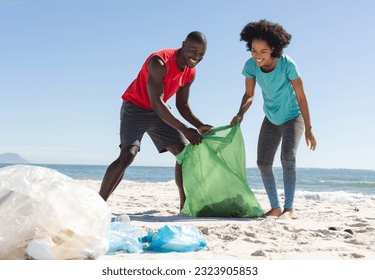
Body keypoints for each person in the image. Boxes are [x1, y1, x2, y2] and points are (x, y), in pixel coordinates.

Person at [100, 31, 212, 210]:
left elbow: (182, 104)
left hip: (160, 111)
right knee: (128, 155)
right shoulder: (159, 62)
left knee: (185, 155)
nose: (196, 57)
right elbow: (157, 102)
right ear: (183, 45)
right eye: (193, 51)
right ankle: (97, 204)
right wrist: (185, 129)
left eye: (201, 54)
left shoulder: (191, 72)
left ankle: (185, 206)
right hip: (135, 108)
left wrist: (199, 126)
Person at [230, 20, 317, 218]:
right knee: (263, 162)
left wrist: (309, 128)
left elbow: (302, 96)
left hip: (293, 116)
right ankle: (275, 207)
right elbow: (249, 94)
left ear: (273, 49)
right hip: (271, 117)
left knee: (288, 157)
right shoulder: (250, 66)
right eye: (253, 50)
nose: (257, 56)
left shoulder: (287, 64)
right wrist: (240, 113)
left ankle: (289, 209)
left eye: (263, 51)